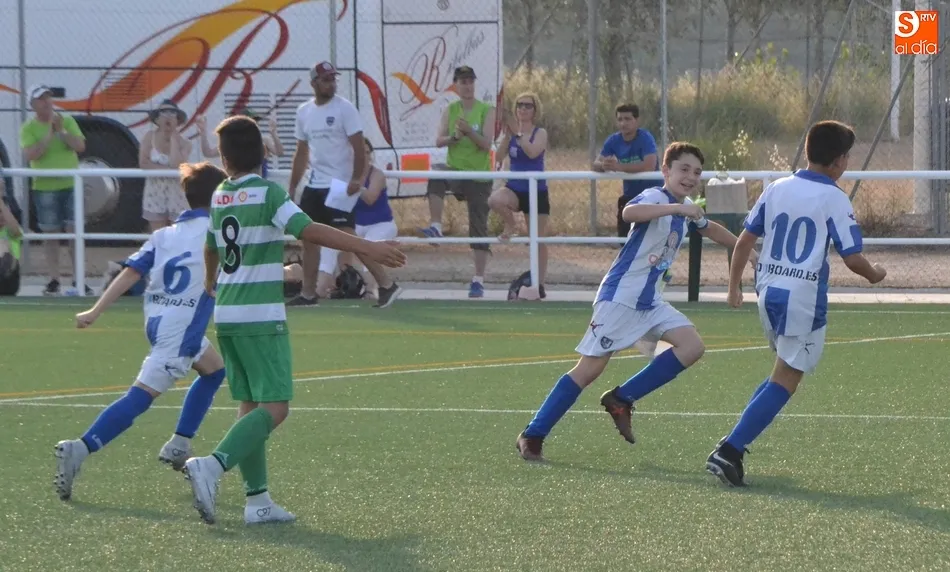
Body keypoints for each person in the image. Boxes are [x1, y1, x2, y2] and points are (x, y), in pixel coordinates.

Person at [183, 115, 406, 525]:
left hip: (227, 314)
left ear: (223, 158)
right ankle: (212, 465)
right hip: (260, 316)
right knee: (276, 407)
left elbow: (211, 247)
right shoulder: (268, 193)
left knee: (250, 405)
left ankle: (258, 501)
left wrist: (211, 282)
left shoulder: (220, 196)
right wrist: (367, 247)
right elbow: (309, 229)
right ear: (264, 153)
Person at [515, 142, 753, 462]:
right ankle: (533, 434)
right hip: (621, 298)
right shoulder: (657, 197)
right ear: (666, 170)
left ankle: (621, 398)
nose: (690, 177)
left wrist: (746, 250)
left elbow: (709, 229)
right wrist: (676, 209)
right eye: (683, 169)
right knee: (588, 370)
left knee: (691, 346)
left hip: (649, 301)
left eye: (697, 172)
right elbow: (629, 212)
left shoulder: (685, 207)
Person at [706, 120, 887, 487]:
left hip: (769, 290)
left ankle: (735, 439)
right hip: (802, 298)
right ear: (838, 161)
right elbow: (853, 258)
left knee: (781, 370)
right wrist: (875, 274)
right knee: (788, 378)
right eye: (847, 157)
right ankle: (730, 450)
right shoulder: (834, 197)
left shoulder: (777, 188)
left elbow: (744, 241)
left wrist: (733, 286)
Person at [52, 162, 229, 502]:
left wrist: (95, 311)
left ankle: (180, 443)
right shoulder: (215, 234)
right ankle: (81, 447)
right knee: (140, 397)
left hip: (158, 322)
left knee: (214, 370)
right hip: (181, 331)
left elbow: (131, 272)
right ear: (219, 199)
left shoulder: (164, 235)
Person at [287, 61, 400, 307]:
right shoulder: (304, 112)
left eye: (333, 79)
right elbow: (301, 152)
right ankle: (308, 293)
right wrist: (292, 186)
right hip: (314, 185)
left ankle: (386, 284)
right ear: (314, 83)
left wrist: (357, 179)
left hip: (340, 186)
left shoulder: (344, 109)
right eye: (326, 80)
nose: (331, 84)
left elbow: (359, 148)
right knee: (308, 238)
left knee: (348, 238)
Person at [420, 66, 496, 298]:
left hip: (479, 175)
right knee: (436, 176)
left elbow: (487, 144)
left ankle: (478, 279)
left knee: (478, 227)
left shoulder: (486, 110)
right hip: (456, 170)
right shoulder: (450, 110)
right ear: (456, 85)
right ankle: (436, 225)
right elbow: (439, 140)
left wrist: (469, 132)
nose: (467, 86)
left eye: (470, 81)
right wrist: (455, 136)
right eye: (463, 82)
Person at [19, 84, 87, 295]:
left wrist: (62, 132)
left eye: (48, 97)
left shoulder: (67, 121)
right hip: (45, 186)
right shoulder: (28, 128)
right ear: (33, 105)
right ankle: (54, 279)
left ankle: (78, 278)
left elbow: (80, 146)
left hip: (71, 184)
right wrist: (49, 133)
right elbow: (32, 155)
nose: (47, 102)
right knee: (50, 234)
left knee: (74, 232)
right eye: (41, 99)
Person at [321, 137, 400, 304]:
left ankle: (371, 290)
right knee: (331, 243)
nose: (364, 156)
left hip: (380, 223)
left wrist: (354, 185)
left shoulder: (376, 174)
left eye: (367, 152)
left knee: (369, 245)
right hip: (355, 224)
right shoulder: (344, 173)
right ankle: (324, 287)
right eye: (359, 153)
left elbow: (370, 198)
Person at [488, 92, 550, 291]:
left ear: (535, 110)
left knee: (537, 239)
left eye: (528, 106)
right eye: (519, 105)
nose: (523, 109)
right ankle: (511, 224)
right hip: (515, 188)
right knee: (495, 200)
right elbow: (498, 157)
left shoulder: (540, 133)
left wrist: (518, 135)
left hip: (536, 190)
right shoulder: (512, 133)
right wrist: (508, 136)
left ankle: (539, 283)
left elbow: (532, 152)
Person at [592, 103, 663, 239]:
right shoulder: (614, 140)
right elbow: (596, 164)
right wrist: (604, 165)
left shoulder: (645, 138)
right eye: (620, 119)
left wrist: (618, 167)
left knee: (652, 240)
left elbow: (649, 165)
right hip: (631, 196)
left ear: (637, 121)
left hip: (653, 195)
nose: (623, 123)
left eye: (627, 119)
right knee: (625, 239)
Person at [140, 100, 193, 231]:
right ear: (157, 119)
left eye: (172, 113)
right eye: (163, 113)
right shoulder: (149, 137)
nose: (168, 116)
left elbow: (177, 165)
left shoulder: (185, 143)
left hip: (177, 194)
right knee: (159, 235)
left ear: (178, 120)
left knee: (177, 234)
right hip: (154, 192)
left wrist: (174, 139)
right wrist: (168, 171)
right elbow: (144, 163)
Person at [196, 109, 284, 179]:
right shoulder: (233, 141)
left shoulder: (263, 140)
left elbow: (279, 152)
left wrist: (273, 133)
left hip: (259, 183)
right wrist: (203, 132)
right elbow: (208, 153)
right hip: (237, 183)